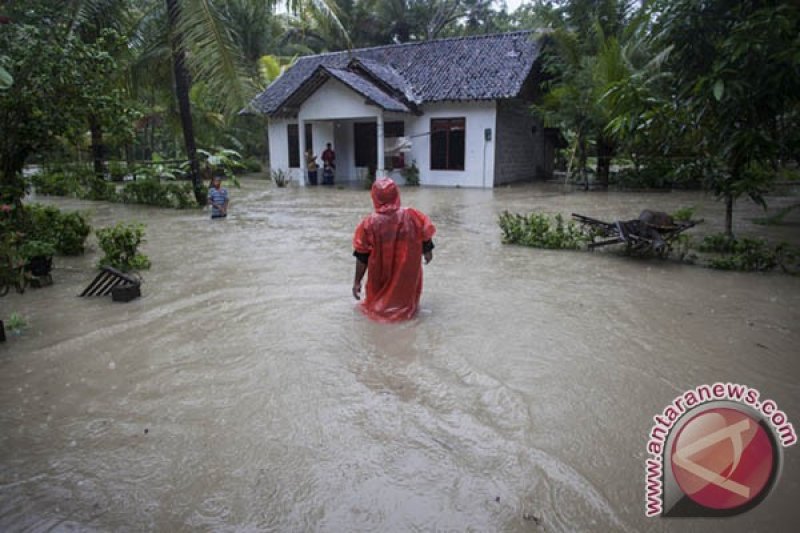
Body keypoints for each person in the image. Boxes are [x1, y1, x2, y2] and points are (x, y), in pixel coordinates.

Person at [352, 178, 436, 322]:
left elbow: (362, 256)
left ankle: (383, 325)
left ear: (374, 197)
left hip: (380, 272)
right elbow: (425, 236)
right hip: (407, 272)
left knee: (376, 306)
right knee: (406, 301)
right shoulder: (413, 215)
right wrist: (427, 252)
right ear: (396, 194)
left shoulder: (368, 224)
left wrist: (356, 282)